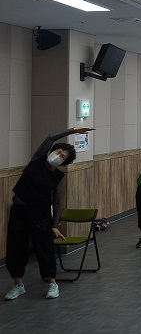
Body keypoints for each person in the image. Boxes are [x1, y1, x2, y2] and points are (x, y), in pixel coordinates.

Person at [4, 127, 94, 301]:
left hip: (41, 214)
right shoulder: (36, 160)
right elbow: (50, 137)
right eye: (57, 152)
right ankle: (18, 284)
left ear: (65, 162)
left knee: (44, 248)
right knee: (16, 247)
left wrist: (54, 224)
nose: (58, 155)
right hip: (19, 211)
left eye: (62, 156)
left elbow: (58, 201)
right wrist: (73, 131)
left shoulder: (58, 177)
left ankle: (52, 283)